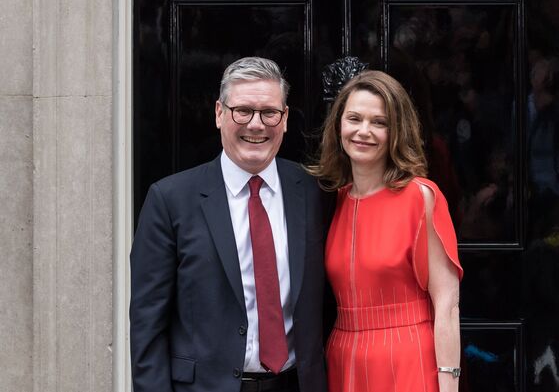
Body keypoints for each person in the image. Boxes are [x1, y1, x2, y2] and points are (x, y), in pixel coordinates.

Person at [130, 57, 332, 392]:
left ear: (284, 120)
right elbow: (147, 325)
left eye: (269, 112)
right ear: (219, 113)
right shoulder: (170, 200)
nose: (256, 124)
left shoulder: (313, 193)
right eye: (243, 111)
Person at [309, 70, 464, 392]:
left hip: (406, 355)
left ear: (397, 131)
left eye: (379, 122)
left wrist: (448, 383)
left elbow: (447, 304)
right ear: (339, 125)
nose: (363, 131)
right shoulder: (332, 201)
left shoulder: (420, 197)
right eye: (354, 118)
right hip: (343, 358)